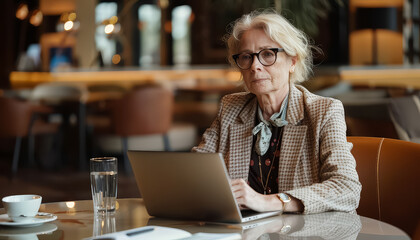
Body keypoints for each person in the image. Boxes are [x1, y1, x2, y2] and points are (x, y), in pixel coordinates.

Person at [192, 10, 361, 214]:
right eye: (246, 57)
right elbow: (196, 173)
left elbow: (347, 188)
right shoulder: (231, 107)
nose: (255, 66)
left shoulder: (323, 111)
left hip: (306, 233)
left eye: (267, 54)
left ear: (292, 61)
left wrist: (270, 202)